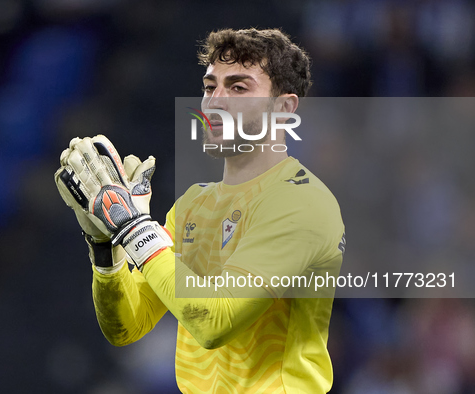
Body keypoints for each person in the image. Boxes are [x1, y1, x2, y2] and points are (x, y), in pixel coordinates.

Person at [55, 28, 345, 393]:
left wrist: (133, 228)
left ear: (284, 108)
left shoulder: (302, 205)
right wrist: (105, 246)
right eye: (211, 87)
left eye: (238, 88)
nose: (215, 102)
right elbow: (127, 326)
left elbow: (214, 322)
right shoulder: (193, 204)